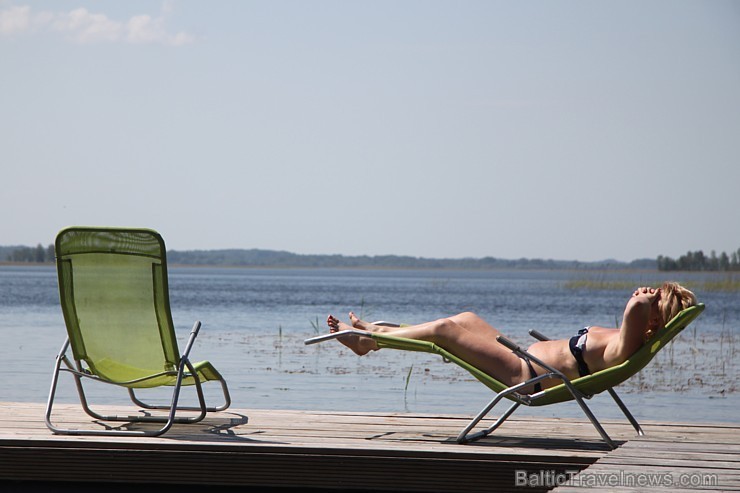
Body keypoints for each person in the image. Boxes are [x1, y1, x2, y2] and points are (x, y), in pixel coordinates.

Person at [326, 281, 697, 393]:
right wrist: (650, 302)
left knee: (444, 331)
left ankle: (370, 340)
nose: (644, 293)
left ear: (654, 322)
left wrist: (643, 302)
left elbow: (633, 312)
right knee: (466, 318)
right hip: (523, 359)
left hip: (524, 378)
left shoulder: (627, 342)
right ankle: (380, 332)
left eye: (654, 298)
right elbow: (634, 314)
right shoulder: (628, 338)